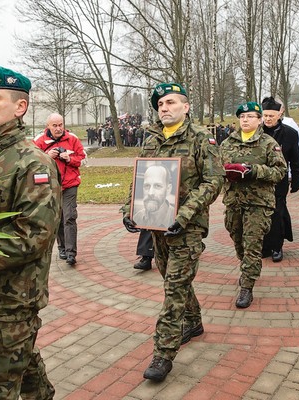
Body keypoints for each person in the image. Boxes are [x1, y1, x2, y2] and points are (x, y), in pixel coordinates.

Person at [0, 66, 60, 399]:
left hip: (14, 299)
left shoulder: (32, 163)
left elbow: (34, 234)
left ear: (20, 107)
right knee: (24, 363)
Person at [121, 82, 223, 382]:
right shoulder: (151, 137)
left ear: (185, 107)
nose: (163, 108)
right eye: (160, 105)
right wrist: (129, 209)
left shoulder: (201, 138)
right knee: (174, 279)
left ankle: (162, 354)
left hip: (187, 228)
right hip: (156, 225)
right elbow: (139, 175)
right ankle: (194, 321)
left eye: (169, 103)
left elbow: (213, 181)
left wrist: (185, 213)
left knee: (173, 290)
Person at [220, 101, 286, 308]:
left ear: (259, 120)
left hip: (259, 204)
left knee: (252, 246)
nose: (245, 120)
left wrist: (255, 171)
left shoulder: (268, 143)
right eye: (242, 117)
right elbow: (215, 170)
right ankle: (247, 268)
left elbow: (280, 172)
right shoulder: (227, 144)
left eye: (250, 116)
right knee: (238, 241)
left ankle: (246, 287)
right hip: (233, 202)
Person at [34, 112, 86, 266]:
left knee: (69, 216)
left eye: (60, 125)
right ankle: (62, 247)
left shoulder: (73, 139)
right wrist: (46, 156)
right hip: (50, 186)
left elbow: (83, 159)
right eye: (54, 125)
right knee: (58, 218)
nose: (58, 128)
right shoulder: (39, 141)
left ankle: (71, 253)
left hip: (70, 185)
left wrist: (69, 159)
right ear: (48, 126)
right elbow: (32, 164)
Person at [260, 96, 299, 263]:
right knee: (261, 213)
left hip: (280, 181)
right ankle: (264, 246)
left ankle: (277, 246)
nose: (268, 119)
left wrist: (297, 179)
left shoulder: (290, 134)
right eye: (265, 115)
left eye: (272, 115)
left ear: (280, 114)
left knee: (277, 213)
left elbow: (295, 158)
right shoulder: (257, 132)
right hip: (260, 180)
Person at [132, 164, 176, 229]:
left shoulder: (175, 218)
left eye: (157, 186)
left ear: (168, 189)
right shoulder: (137, 218)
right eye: (147, 186)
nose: (150, 193)